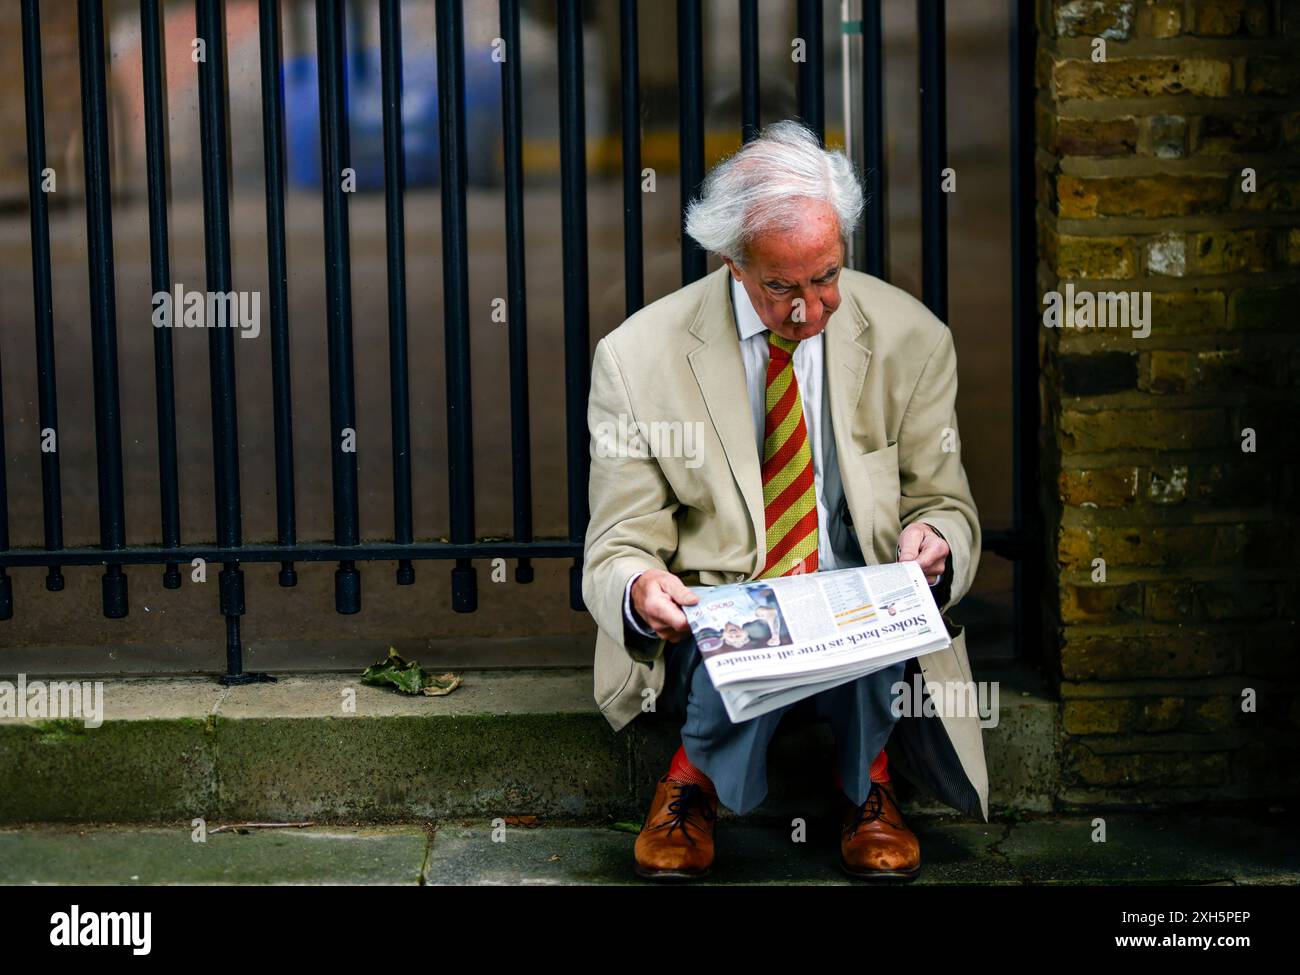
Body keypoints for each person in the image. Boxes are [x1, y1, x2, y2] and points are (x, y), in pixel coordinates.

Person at [582, 120, 987, 882]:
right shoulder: (636, 358)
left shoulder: (912, 339)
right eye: (782, 286)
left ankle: (861, 780)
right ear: (732, 262)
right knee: (745, 622)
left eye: (826, 277)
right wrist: (641, 587)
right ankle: (702, 781)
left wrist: (935, 538)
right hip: (727, 607)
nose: (810, 310)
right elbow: (618, 541)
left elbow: (948, 503)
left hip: (855, 604)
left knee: (869, 596)